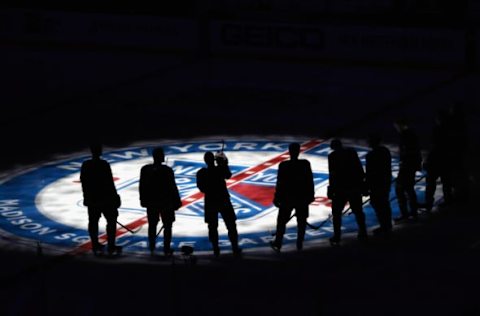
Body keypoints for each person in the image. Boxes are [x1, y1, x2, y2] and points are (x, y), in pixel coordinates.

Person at [270, 142, 315, 252]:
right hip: (302, 197)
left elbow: (280, 183)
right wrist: (311, 195)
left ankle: (278, 242)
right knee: (301, 221)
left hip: (287, 198)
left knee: (281, 221)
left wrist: (277, 197)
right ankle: (299, 242)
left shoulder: (284, 165)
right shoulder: (305, 164)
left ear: (289, 151)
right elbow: (310, 181)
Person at [196, 151, 241, 257]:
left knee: (213, 226)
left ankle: (216, 248)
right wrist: (224, 163)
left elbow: (201, 188)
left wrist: (223, 164)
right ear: (213, 160)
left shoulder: (202, 173)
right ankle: (234, 247)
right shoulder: (219, 169)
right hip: (223, 200)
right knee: (230, 224)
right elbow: (228, 175)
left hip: (211, 201)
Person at [139, 147, 182, 256]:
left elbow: (142, 187)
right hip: (165, 202)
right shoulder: (167, 170)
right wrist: (177, 201)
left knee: (153, 224)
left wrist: (143, 200)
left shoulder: (145, 169)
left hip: (152, 202)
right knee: (167, 225)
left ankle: (152, 246)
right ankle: (166, 248)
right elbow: (173, 187)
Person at [80, 143, 121, 256]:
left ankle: (95, 243)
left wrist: (87, 197)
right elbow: (109, 183)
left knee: (93, 222)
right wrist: (115, 197)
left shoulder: (86, 165)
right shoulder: (104, 164)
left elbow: (84, 183)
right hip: (105, 198)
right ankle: (111, 244)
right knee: (111, 221)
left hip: (92, 199)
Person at [327, 139, 368, 245]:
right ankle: (363, 231)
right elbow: (359, 169)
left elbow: (332, 174)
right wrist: (363, 185)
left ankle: (337, 235)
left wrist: (331, 189)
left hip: (341, 188)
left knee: (337, 213)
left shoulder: (333, 156)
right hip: (353, 186)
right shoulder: (351, 152)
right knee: (358, 210)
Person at [422, 110, 453, 212]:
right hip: (446, 159)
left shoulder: (438, 130)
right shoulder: (450, 131)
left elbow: (433, 146)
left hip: (436, 160)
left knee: (431, 183)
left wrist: (428, 160)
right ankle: (447, 200)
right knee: (446, 182)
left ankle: (429, 203)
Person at [393, 118, 422, 222]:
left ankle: (406, 214)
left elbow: (409, 152)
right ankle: (413, 212)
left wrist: (404, 163)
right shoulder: (410, 134)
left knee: (400, 188)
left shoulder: (405, 136)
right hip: (410, 165)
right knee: (409, 188)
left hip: (407, 166)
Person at [365, 134, 393, 237]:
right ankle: (387, 225)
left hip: (376, 183)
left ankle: (384, 225)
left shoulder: (371, 155)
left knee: (378, 203)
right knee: (384, 203)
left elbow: (369, 173)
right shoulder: (385, 151)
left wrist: (366, 186)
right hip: (385, 181)